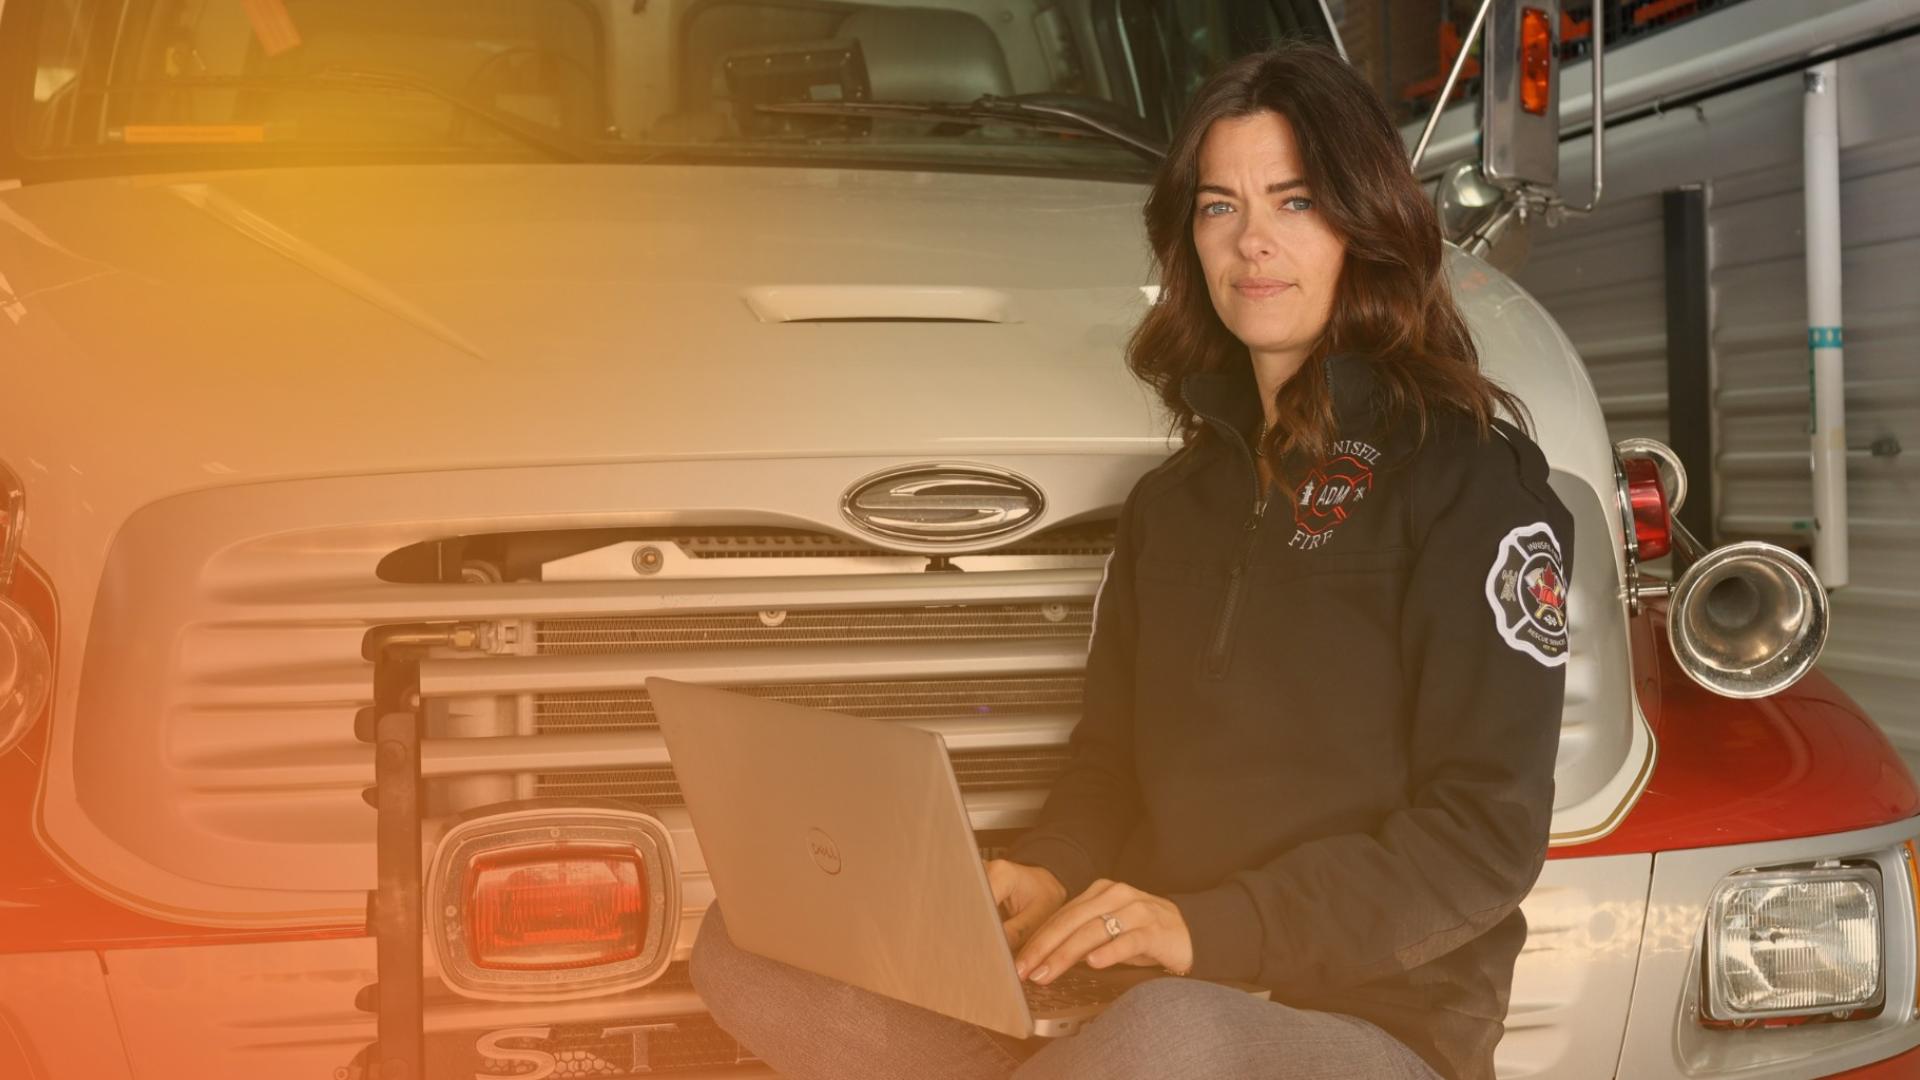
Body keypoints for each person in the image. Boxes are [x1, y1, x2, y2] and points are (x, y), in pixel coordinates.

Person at [689, 40, 1572, 1080]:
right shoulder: (1173, 505)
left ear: (1363, 221)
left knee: (1170, 1040)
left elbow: (1483, 838)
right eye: (1218, 207)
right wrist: (1052, 872)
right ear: (1187, 239)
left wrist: (1208, 931)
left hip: (1366, 1020)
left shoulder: (1469, 477)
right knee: (751, 939)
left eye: (1293, 201)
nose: (1252, 243)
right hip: (1133, 1001)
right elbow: (1109, 762)